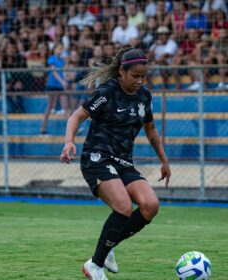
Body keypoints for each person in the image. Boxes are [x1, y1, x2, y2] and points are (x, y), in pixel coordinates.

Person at [60, 45, 171, 280]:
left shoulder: (144, 96)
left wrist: (164, 160)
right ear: (122, 71)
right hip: (97, 158)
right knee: (123, 207)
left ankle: (107, 248)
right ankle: (95, 266)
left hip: (123, 162)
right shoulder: (107, 91)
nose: (140, 81)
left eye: (144, 76)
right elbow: (76, 116)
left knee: (151, 205)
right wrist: (69, 141)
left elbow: (150, 129)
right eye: (135, 76)